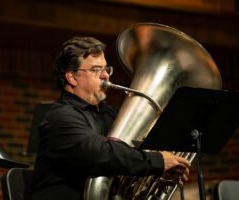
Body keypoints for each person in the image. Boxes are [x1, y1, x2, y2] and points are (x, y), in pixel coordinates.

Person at [31, 36, 190, 200]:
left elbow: (132, 155)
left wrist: (165, 167)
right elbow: (100, 153)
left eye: (106, 69)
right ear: (72, 77)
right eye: (96, 70)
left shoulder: (110, 116)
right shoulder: (60, 117)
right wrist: (158, 162)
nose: (106, 76)